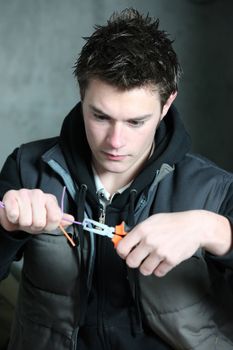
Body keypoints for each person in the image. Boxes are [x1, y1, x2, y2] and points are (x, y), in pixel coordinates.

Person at [0, 7, 233, 350]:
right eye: (100, 116)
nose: (115, 142)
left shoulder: (213, 189)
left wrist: (215, 231)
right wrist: (6, 226)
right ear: (82, 97)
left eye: (136, 122)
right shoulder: (29, 167)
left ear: (167, 104)